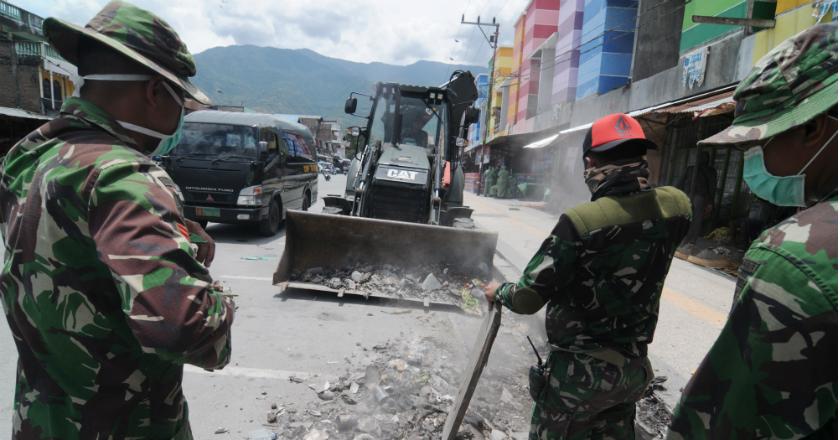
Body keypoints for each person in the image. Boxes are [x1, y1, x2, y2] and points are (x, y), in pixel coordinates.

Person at [0, 2, 234, 439]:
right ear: (154, 93)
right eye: (179, 99)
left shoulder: (29, 157)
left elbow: (70, 258)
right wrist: (218, 299)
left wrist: (174, 240)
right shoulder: (124, 176)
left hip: (40, 422)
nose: (181, 115)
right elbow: (184, 326)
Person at [668, 24, 837, 440]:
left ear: (813, 129)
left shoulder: (795, 257)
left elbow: (715, 421)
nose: (751, 162)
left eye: (757, 144)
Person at [485, 113, 691, 439]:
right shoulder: (677, 207)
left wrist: (499, 291)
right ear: (641, 158)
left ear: (590, 162)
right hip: (631, 373)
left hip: (579, 379)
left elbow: (527, 298)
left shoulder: (580, 222)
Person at [677, 150, 718, 247]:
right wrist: (711, 202)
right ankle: (691, 240)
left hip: (686, 196)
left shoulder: (690, 169)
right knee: (696, 219)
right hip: (700, 198)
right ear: (708, 159)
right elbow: (712, 187)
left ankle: (681, 239)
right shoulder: (711, 171)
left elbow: (680, 183)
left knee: (683, 218)